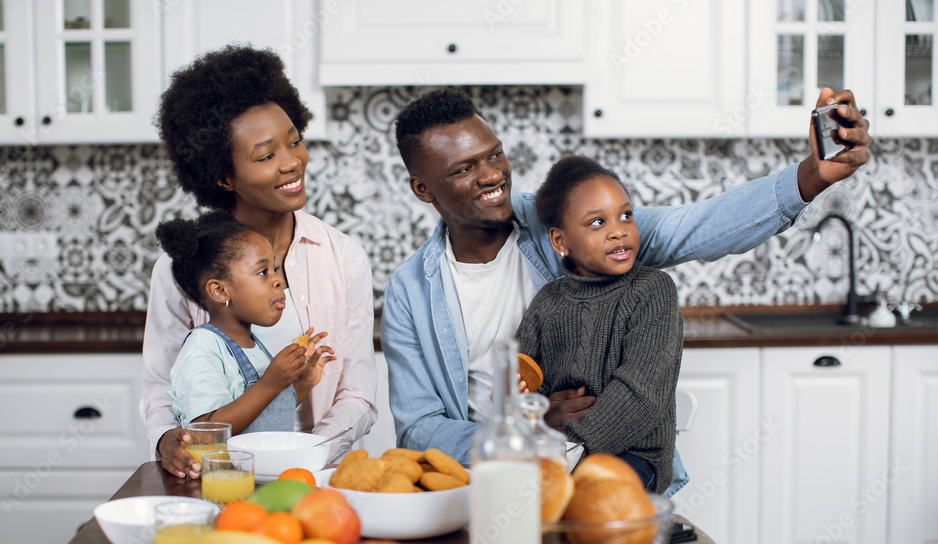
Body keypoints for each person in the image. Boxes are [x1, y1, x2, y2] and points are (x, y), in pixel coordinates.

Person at [381, 87, 870, 487]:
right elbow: (419, 428)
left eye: (494, 155)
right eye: (465, 168)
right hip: (477, 479)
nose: (492, 175)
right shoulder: (410, 291)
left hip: (598, 464)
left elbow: (695, 226)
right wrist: (524, 433)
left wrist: (809, 178)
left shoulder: (569, 224)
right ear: (423, 189)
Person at [145, 45, 377, 478]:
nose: (292, 163)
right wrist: (165, 441)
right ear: (224, 176)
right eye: (267, 156)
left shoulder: (342, 257)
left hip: (317, 477)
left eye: (294, 142)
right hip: (216, 478)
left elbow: (358, 396)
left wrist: (300, 454)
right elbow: (161, 387)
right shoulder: (185, 266)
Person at [516, 156, 682, 492]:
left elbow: (640, 395)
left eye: (626, 215)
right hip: (558, 450)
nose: (619, 230)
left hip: (634, 455)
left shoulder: (652, 290)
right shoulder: (547, 302)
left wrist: (568, 447)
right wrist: (541, 409)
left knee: (584, 505)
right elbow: (520, 388)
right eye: (597, 222)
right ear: (560, 242)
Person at [156, 212, 332, 434]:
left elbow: (264, 417)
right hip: (225, 470)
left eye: (275, 270)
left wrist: (303, 382)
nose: (279, 280)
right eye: (262, 272)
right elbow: (205, 433)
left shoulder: (252, 345)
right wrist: (270, 383)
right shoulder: (203, 348)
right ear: (220, 291)